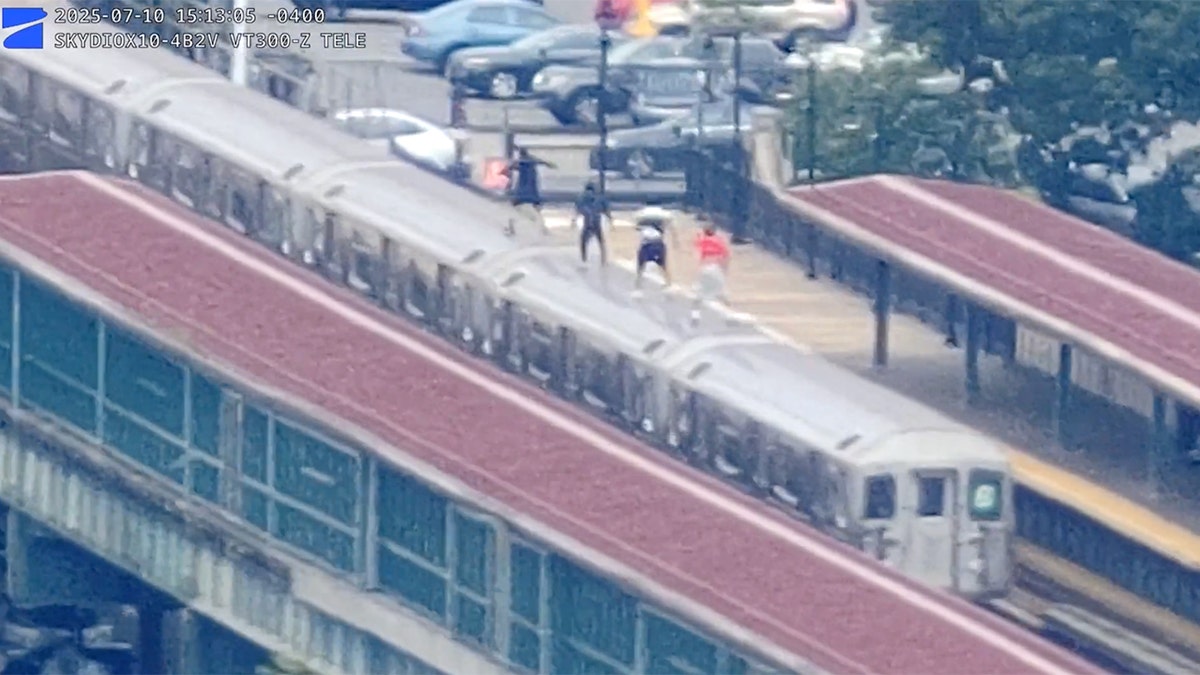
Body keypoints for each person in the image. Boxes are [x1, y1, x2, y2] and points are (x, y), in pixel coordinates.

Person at [504, 147, 556, 236]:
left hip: (524, 196)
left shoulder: (523, 163)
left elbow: (511, 167)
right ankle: (543, 230)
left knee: (526, 214)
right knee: (533, 215)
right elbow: (540, 162)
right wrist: (548, 164)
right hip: (528, 196)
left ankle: (512, 226)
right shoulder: (529, 163)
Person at [692, 220, 731, 324]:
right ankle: (727, 316)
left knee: (699, 294)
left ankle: (695, 316)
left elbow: (698, 256)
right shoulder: (719, 241)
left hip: (705, 268)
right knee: (722, 294)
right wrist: (725, 270)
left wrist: (698, 270)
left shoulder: (701, 240)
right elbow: (726, 256)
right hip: (716, 268)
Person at [633, 206, 677, 296]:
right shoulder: (661, 221)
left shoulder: (643, 220)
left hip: (648, 244)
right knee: (662, 266)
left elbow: (636, 227)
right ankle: (668, 284)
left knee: (641, 267)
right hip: (657, 244)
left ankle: (638, 287)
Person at [575, 181, 610, 267]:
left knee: (583, 241)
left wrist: (576, 217)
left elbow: (579, 208)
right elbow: (606, 209)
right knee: (600, 240)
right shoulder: (600, 197)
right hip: (596, 220)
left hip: (587, 221)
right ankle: (603, 259)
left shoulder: (582, 196)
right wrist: (609, 217)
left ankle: (584, 258)